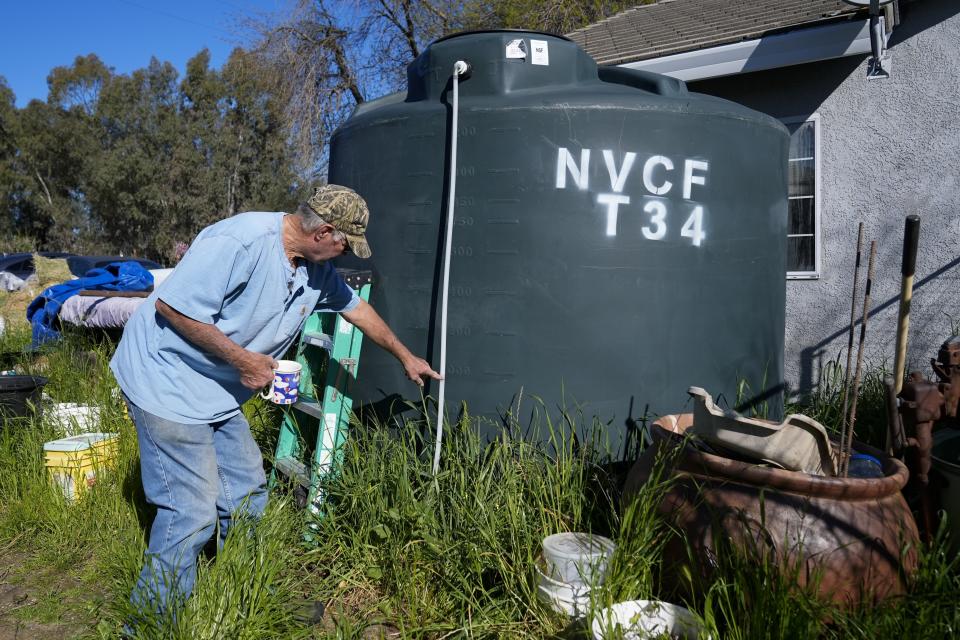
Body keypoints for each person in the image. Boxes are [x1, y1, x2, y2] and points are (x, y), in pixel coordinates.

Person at [110, 184, 440, 619]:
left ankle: (245, 595)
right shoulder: (239, 241)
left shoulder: (315, 270)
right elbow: (174, 309)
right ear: (323, 232)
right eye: (344, 243)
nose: (345, 254)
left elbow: (355, 311)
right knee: (190, 511)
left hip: (217, 390)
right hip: (166, 381)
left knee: (247, 493)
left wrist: (405, 355)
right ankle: (152, 620)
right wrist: (243, 360)